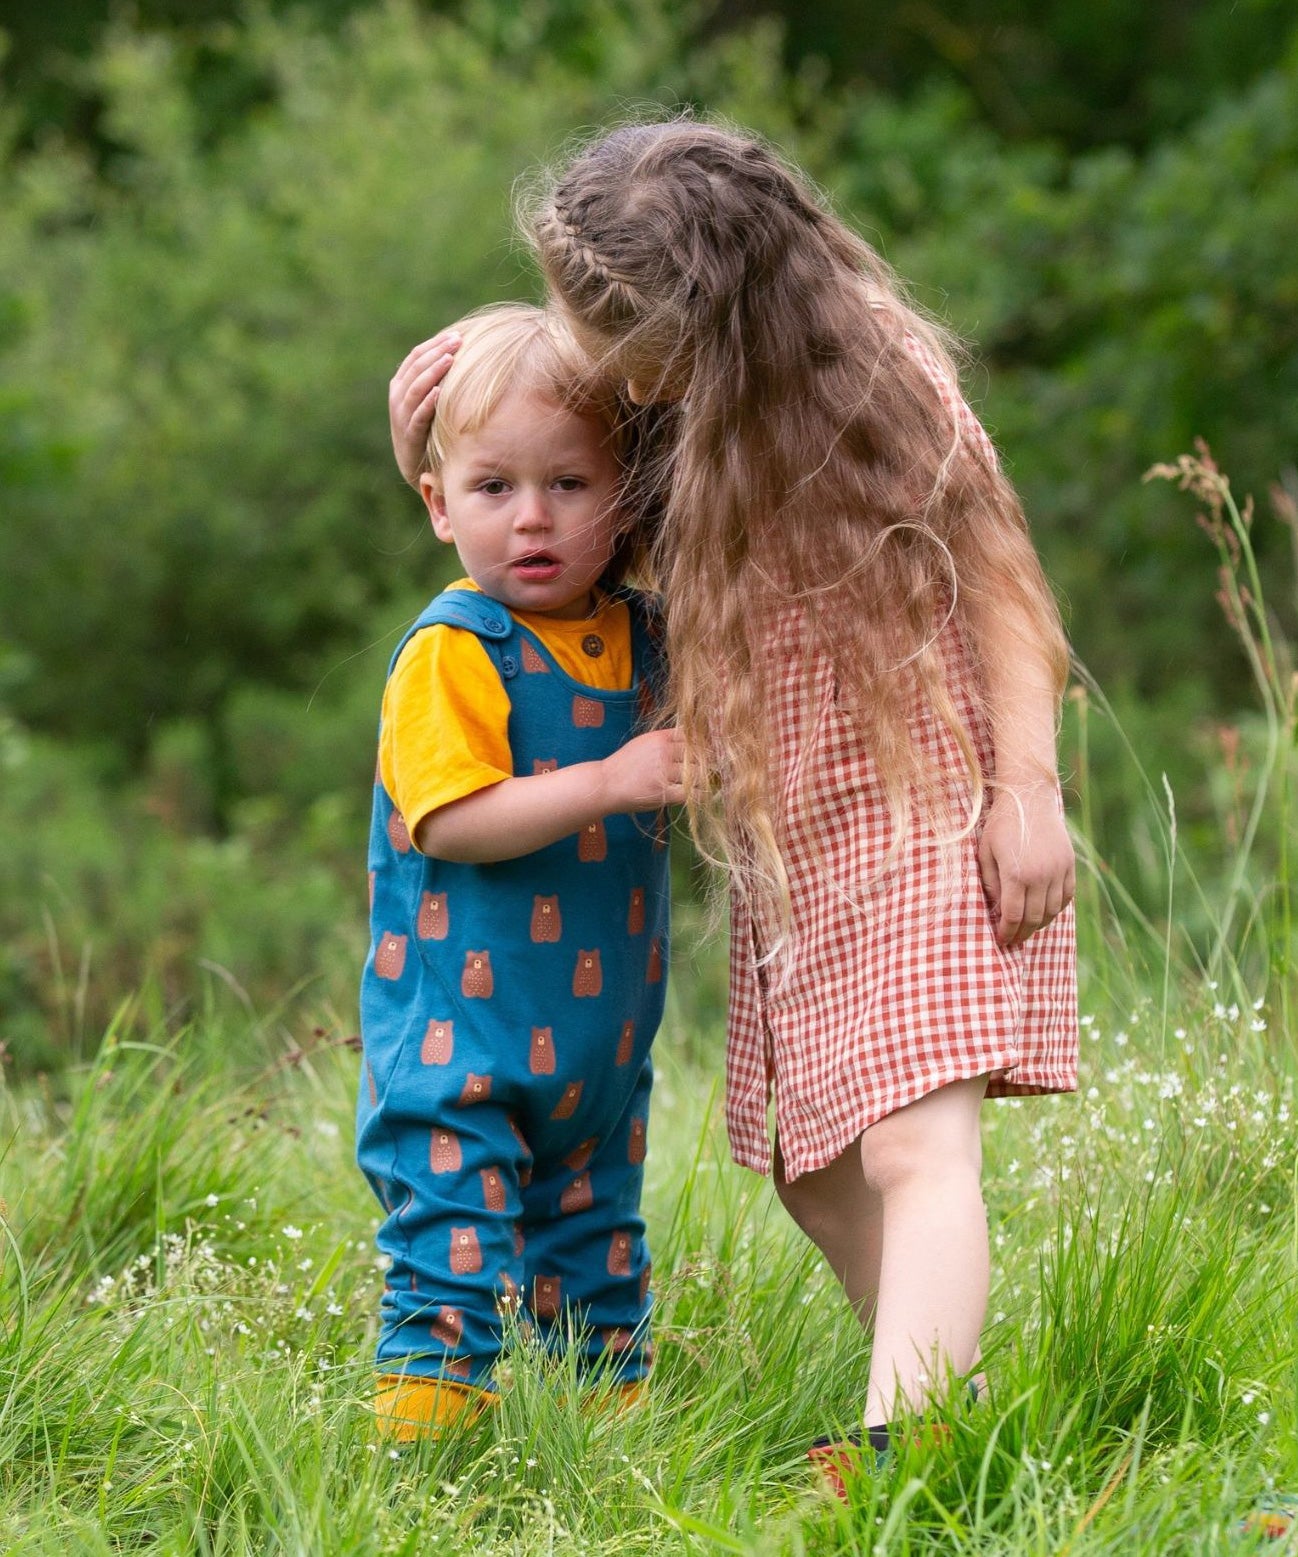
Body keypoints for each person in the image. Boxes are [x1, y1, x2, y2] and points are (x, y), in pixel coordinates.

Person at [389, 119, 1078, 1476]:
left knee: (911, 1145)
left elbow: (1001, 584)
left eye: (591, 324)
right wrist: (424, 412)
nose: (575, 344)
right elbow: (541, 521)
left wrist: (1027, 791)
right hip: (793, 842)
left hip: (922, 793)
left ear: (694, 318)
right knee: (812, 1166)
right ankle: (967, 1424)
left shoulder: (878, 380)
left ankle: (909, 1447)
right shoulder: (675, 405)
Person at [361, 303, 684, 1441]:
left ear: (627, 500)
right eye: (492, 488)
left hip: (599, 1043)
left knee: (593, 1243)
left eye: (570, 484)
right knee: (450, 1248)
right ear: (438, 504)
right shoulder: (456, 648)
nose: (532, 518)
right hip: (460, 1038)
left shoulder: (645, 633)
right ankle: (421, 1457)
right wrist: (611, 781)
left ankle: (606, 1449)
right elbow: (449, 822)